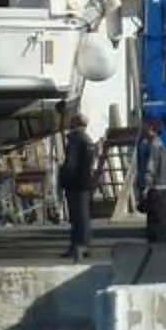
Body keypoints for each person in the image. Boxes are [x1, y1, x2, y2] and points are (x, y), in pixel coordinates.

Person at [58, 110, 97, 262]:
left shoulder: (75, 140)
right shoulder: (88, 140)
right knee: (84, 216)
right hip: (86, 181)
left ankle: (78, 245)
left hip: (75, 182)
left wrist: (63, 178)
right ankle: (83, 244)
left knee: (77, 216)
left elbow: (71, 164)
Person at [139, 121, 166, 243]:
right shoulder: (164, 144)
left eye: (144, 126)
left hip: (158, 191)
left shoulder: (154, 145)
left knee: (157, 229)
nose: (142, 129)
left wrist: (146, 187)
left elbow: (151, 167)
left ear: (151, 127)